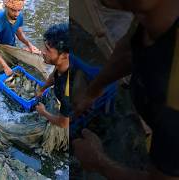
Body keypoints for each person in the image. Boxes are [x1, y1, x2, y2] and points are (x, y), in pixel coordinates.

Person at [72, 0, 179, 179]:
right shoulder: (153, 12)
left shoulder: (173, 96)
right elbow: (129, 49)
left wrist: (98, 161)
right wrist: (93, 90)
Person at [35, 23, 72, 128]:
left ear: (64, 55)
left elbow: (64, 124)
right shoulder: (61, 64)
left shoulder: (68, 90)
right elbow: (53, 76)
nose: (42, 51)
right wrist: (42, 89)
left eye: (47, 49)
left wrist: (43, 112)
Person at [0, 0, 38, 76]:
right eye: (13, 10)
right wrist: (5, 66)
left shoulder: (19, 16)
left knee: (34, 55)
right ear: (6, 7)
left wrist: (29, 45)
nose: (17, 14)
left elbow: (20, 35)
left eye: (19, 10)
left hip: (11, 46)